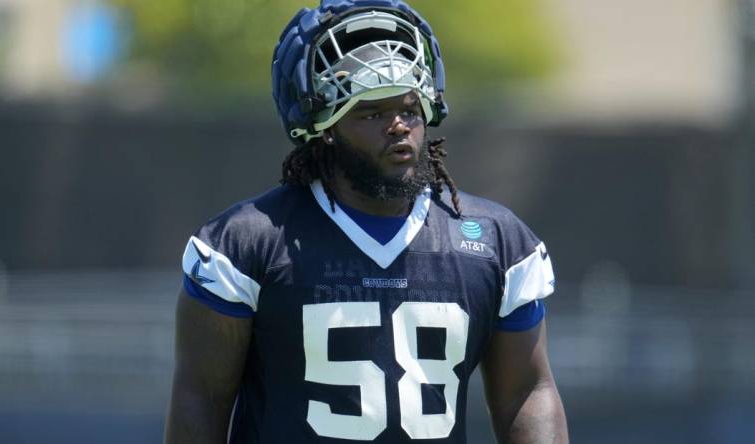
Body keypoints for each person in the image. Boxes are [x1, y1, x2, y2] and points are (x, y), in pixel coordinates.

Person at [165, 1, 568, 443]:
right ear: (324, 126)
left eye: (409, 109)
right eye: (372, 112)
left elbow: (527, 392)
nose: (398, 127)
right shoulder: (248, 242)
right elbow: (200, 398)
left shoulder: (495, 241)